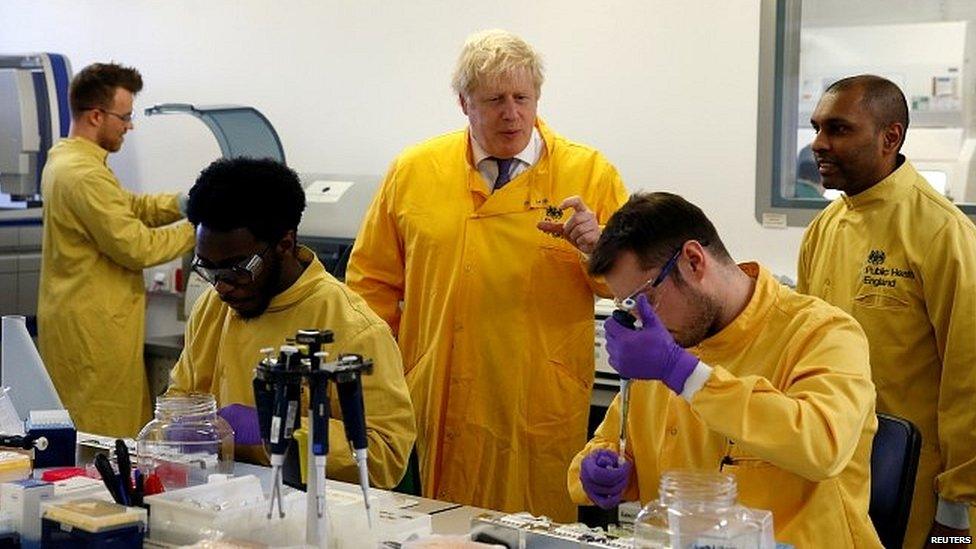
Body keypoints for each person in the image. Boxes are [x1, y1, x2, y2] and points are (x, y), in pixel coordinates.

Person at [346, 29, 628, 519]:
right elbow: (370, 283)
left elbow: (628, 284)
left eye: (523, 98)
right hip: (432, 391)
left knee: (526, 528)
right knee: (430, 525)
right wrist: (383, 375)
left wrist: (597, 248)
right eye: (494, 99)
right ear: (464, 103)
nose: (511, 113)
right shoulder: (414, 170)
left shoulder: (590, 173)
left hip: (533, 399)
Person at [568, 192, 882, 547]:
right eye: (627, 308)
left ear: (693, 261)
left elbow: (822, 446)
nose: (641, 321)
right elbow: (614, 440)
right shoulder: (668, 342)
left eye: (645, 300)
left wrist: (683, 373)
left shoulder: (822, 332)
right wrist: (600, 470)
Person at [798, 74, 976, 547]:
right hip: (836, 473)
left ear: (890, 137)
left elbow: (969, 378)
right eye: (817, 128)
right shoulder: (823, 229)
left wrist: (956, 511)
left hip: (924, 493)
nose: (819, 144)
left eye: (838, 130)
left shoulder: (942, 233)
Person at [167, 157, 415, 488]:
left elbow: (386, 455)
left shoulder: (352, 327)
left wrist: (277, 428)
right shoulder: (213, 306)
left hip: (313, 512)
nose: (221, 286)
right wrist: (181, 424)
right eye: (208, 268)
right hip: (225, 500)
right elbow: (182, 396)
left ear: (285, 244)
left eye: (238, 268)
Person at [38, 62, 195, 437]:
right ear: (96, 115)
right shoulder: (84, 175)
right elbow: (136, 247)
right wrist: (200, 230)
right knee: (104, 436)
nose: (129, 125)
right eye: (124, 117)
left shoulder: (68, 160)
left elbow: (128, 208)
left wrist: (182, 202)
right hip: (94, 330)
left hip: (82, 320)